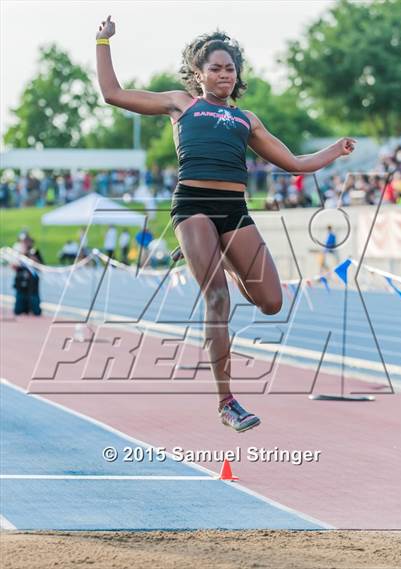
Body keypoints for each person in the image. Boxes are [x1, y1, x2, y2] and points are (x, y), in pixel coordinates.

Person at [96, 17, 357, 432]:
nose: (223, 75)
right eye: (215, 68)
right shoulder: (181, 104)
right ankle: (227, 401)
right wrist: (103, 41)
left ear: (238, 77)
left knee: (271, 302)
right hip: (193, 206)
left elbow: (294, 163)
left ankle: (220, 258)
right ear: (198, 74)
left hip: (234, 210)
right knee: (218, 299)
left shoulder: (247, 120)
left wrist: (335, 149)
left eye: (229, 69)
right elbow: (113, 94)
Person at [13, 237, 43, 316]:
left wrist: (33, 259)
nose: (26, 244)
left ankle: (32, 308)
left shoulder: (35, 252)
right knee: (18, 310)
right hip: (21, 282)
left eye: (27, 242)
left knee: (36, 311)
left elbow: (41, 266)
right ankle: (24, 308)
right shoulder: (19, 254)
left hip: (32, 283)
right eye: (24, 242)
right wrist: (21, 256)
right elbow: (14, 266)